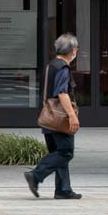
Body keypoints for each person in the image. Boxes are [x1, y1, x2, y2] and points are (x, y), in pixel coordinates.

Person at [25, 33, 82, 200]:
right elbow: (62, 93)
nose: (76, 51)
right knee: (65, 152)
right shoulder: (63, 68)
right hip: (60, 119)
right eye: (76, 48)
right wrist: (72, 116)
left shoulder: (51, 65)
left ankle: (63, 189)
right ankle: (35, 175)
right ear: (72, 50)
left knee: (57, 152)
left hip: (48, 118)